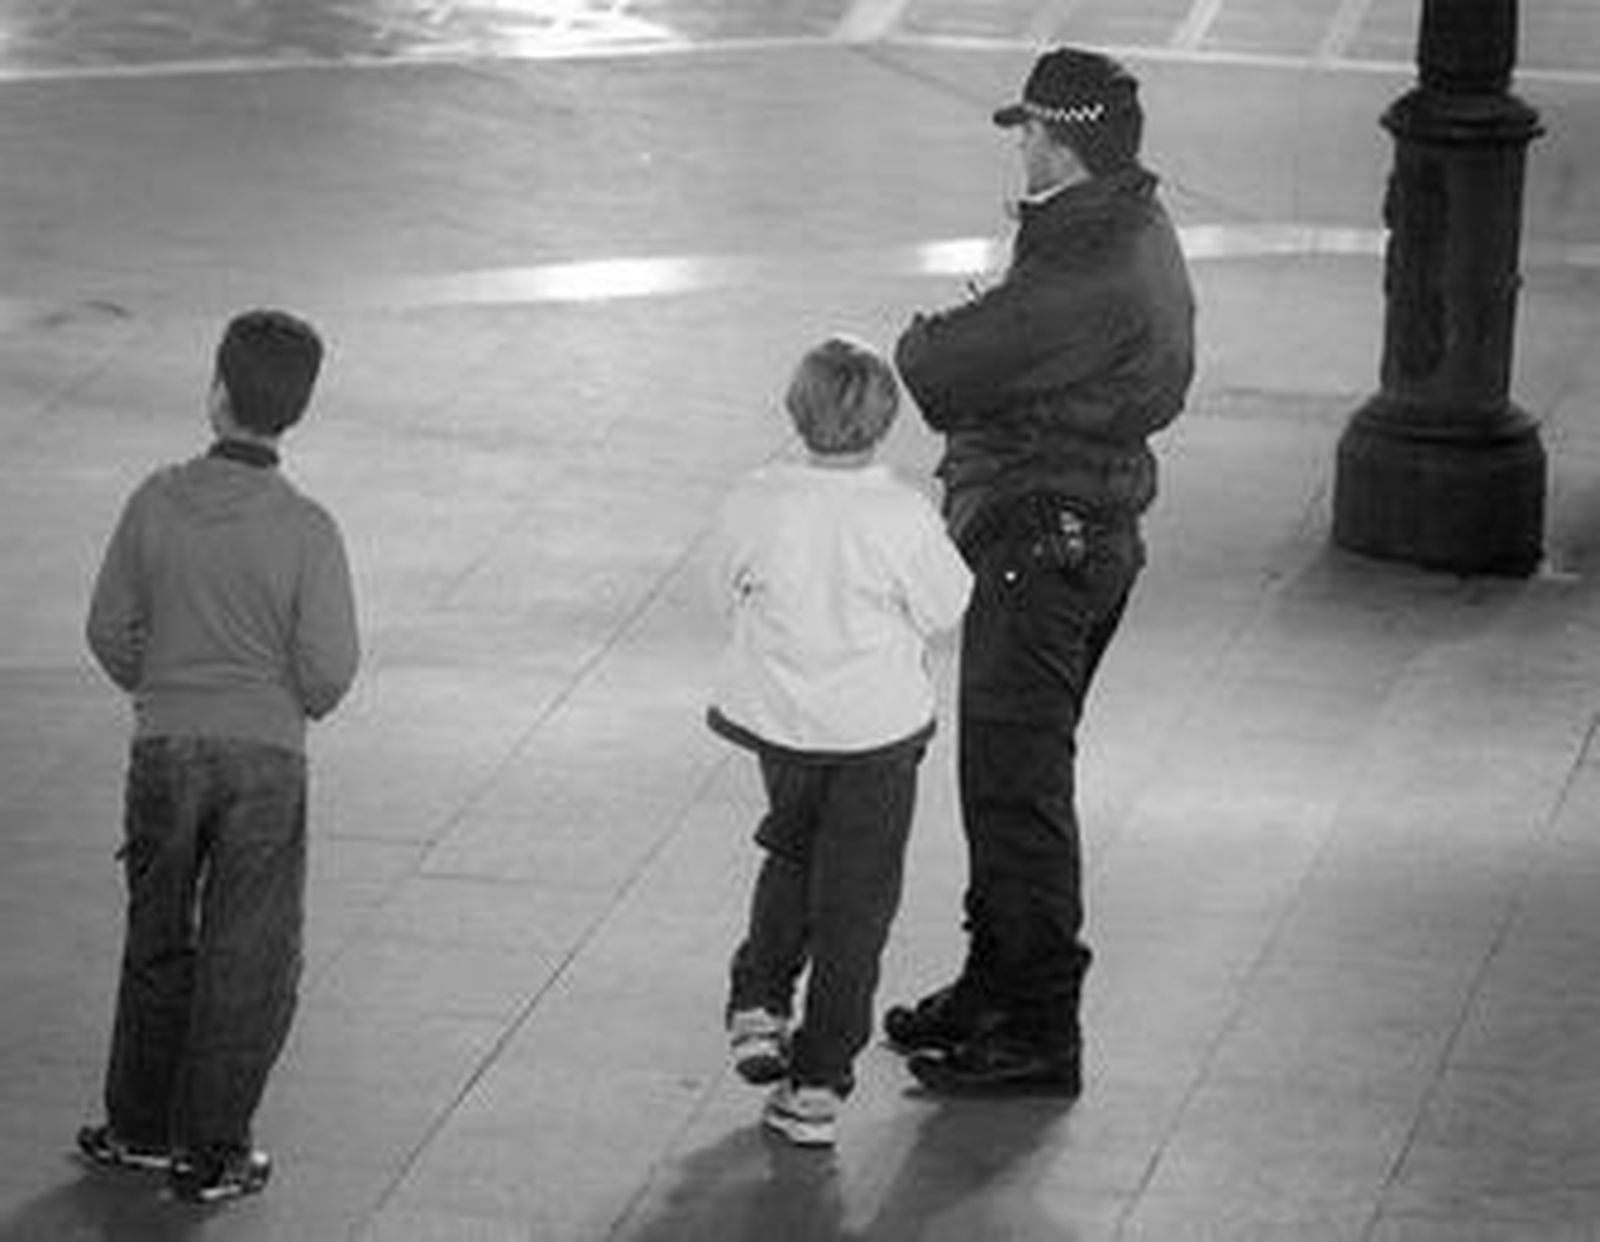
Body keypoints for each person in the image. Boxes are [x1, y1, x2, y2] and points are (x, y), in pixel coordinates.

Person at [885, 47, 1196, 1096]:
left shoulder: (1083, 268)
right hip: (1076, 530)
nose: (1017, 144)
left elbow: (932, 365)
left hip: (1041, 544)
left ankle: (1037, 1026)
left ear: (1057, 139)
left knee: (1016, 793)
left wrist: (954, 342)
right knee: (1005, 781)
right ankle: (995, 981)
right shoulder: (1126, 226)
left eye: (1026, 129)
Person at [79, 309, 360, 1202]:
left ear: (216, 393)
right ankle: (214, 1150)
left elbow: (108, 628)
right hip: (266, 759)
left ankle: (137, 1126)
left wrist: (160, 685)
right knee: (250, 953)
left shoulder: (154, 500)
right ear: (297, 413)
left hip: (163, 748)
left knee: (157, 935)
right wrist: (278, 702)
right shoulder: (308, 529)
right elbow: (327, 672)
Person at [707, 336, 972, 1146]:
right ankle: (817, 1083)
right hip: (876, 736)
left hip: (781, 725)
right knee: (856, 901)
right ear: (886, 420)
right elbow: (946, 607)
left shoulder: (756, 499)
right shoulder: (901, 514)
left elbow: (723, 591)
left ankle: (758, 1001)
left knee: (792, 849)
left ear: (797, 409)